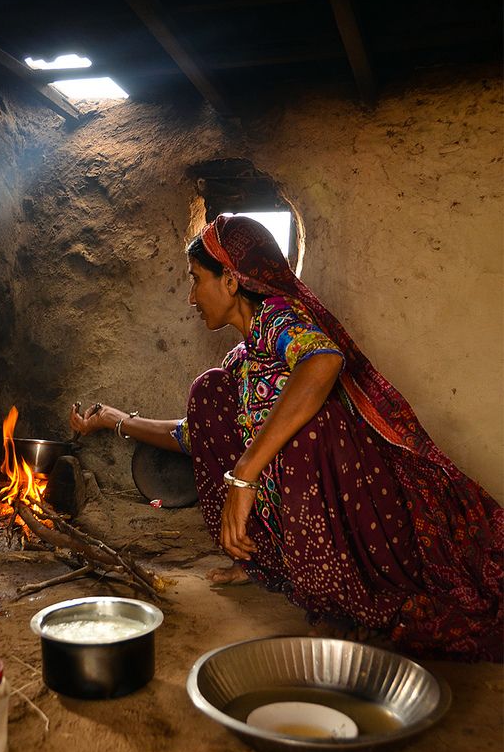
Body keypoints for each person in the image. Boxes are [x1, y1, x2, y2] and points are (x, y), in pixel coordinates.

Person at [70, 214, 503, 661]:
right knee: (209, 394)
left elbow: (323, 361)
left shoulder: (279, 317)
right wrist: (114, 420)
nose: (190, 297)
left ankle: (339, 595)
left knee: (305, 428)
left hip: (359, 509)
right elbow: (192, 435)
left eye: (196, 280)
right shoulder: (245, 355)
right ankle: (261, 558)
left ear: (231, 282)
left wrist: (244, 476)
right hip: (306, 509)